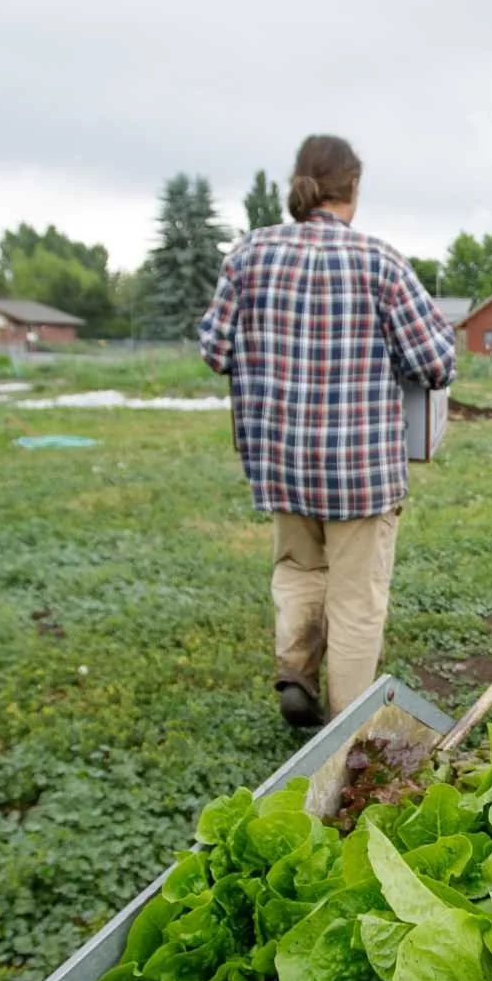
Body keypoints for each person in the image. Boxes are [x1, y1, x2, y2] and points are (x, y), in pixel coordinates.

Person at [197, 133, 456, 728]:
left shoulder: (247, 256)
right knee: (356, 597)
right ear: (353, 189)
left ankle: (295, 670)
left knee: (298, 570)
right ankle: (346, 726)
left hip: (280, 460)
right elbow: (436, 361)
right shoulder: (379, 262)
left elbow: (214, 349)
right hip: (360, 469)